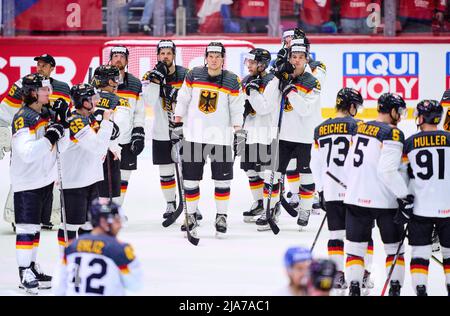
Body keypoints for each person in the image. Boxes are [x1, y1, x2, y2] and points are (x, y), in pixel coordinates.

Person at [173, 42, 244, 238]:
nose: (214, 59)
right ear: (206, 57)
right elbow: (183, 98)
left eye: (217, 56)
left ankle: (221, 216)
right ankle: (191, 215)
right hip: (194, 136)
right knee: (190, 179)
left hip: (220, 138)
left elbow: (237, 108)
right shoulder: (193, 74)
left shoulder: (231, 80)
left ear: (223, 58)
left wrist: (239, 131)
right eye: (210, 56)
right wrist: (177, 123)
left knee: (222, 181)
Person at [343, 93, 408, 296]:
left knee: (356, 248)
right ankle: (395, 289)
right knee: (394, 248)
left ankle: (354, 287)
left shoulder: (359, 126)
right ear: (392, 111)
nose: (400, 115)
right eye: (399, 110)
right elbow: (387, 171)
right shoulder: (393, 133)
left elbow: (348, 164)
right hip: (384, 201)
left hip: (355, 197)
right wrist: (405, 196)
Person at [310, 87, 374, 294]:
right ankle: (363, 274)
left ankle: (338, 275)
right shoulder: (360, 127)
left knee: (336, 235)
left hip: (331, 189)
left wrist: (320, 190)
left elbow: (315, 164)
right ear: (352, 106)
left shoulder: (320, 129)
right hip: (356, 190)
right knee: (364, 236)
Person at [11, 73, 70, 294]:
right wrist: (50, 137)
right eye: (45, 90)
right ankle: (24, 270)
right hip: (27, 182)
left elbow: (60, 140)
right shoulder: (23, 117)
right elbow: (26, 153)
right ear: (33, 92)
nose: (49, 93)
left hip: (44, 180)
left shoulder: (45, 112)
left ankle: (32, 267)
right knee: (26, 228)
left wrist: (62, 121)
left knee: (35, 228)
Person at [1, 54, 71, 231]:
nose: (40, 67)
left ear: (52, 68)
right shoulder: (23, 84)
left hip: (50, 139)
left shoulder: (63, 88)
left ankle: (48, 216)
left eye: (44, 65)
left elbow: (64, 115)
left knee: (51, 177)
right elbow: (4, 113)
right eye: (38, 64)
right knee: (25, 176)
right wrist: (3, 138)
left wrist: (62, 122)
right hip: (29, 134)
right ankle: (18, 216)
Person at [257, 41, 321, 231]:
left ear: (306, 60)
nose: (297, 60)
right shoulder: (282, 78)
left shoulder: (312, 81)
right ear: (289, 59)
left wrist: (291, 91)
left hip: (304, 137)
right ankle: (270, 209)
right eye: (294, 57)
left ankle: (305, 208)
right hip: (282, 135)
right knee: (272, 174)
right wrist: (277, 78)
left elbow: (305, 110)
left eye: (301, 57)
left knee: (305, 173)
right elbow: (266, 103)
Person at [397, 100, 450, 296]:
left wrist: (403, 199)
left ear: (420, 118)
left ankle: (420, 288)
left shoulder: (410, 142)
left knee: (420, 253)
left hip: (420, 207)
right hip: (447, 206)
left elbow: (401, 175)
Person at [141, 40, 195, 221]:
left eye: (168, 53)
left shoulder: (186, 74)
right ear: (157, 55)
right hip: (162, 132)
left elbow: (193, 100)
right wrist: (156, 81)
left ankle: (192, 205)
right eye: (162, 53)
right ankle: (171, 203)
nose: (165, 56)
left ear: (174, 55)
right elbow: (148, 100)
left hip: (185, 130)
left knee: (189, 171)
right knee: (166, 171)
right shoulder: (150, 74)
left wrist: (175, 95)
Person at [57, 84, 114, 255]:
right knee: (70, 226)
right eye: (92, 99)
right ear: (82, 101)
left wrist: (111, 141)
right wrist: (106, 122)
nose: (96, 101)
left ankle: (85, 258)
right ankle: (67, 261)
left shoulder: (89, 118)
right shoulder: (75, 121)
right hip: (74, 182)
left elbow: (101, 146)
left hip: (91, 179)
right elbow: (97, 146)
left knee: (89, 223)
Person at [52, 199, 143, 296]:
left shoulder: (71, 247)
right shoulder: (120, 249)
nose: (120, 225)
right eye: (117, 221)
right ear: (104, 222)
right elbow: (135, 285)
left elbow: (58, 287)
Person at [281, 29, 326, 217]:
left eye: (294, 41)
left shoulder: (317, 67)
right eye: (287, 41)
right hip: (288, 124)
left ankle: (311, 195)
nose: (289, 43)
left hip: (308, 124)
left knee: (307, 165)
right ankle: (295, 193)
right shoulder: (285, 64)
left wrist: (292, 74)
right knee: (290, 164)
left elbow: (313, 82)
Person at [90, 65, 131, 219]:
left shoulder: (86, 98)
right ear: (109, 81)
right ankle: (107, 216)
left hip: (87, 149)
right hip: (109, 152)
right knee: (107, 189)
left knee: (89, 186)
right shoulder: (120, 101)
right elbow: (121, 129)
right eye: (115, 78)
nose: (117, 81)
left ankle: (89, 214)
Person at [109, 46, 145, 211]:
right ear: (110, 59)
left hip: (126, 138)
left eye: (121, 57)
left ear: (127, 60)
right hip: (104, 140)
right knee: (102, 177)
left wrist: (139, 132)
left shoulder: (135, 83)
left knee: (124, 176)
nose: (118, 59)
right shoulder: (100, 80)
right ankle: (100, 210)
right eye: (115, 56)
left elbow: (139, 111)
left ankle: (116, 210)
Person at [240, 48, 274, 223]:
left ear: (262, 64)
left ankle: (271, 206)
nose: (249, 65)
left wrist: (253, 94)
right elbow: (239, 105)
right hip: (249, 133)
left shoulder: (271, 81)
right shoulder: (246, 80)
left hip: (265, 133)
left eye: (252, 62)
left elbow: (264, 108)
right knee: (250, 170)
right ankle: (259, 202)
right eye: (248, 62)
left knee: (266, 172)